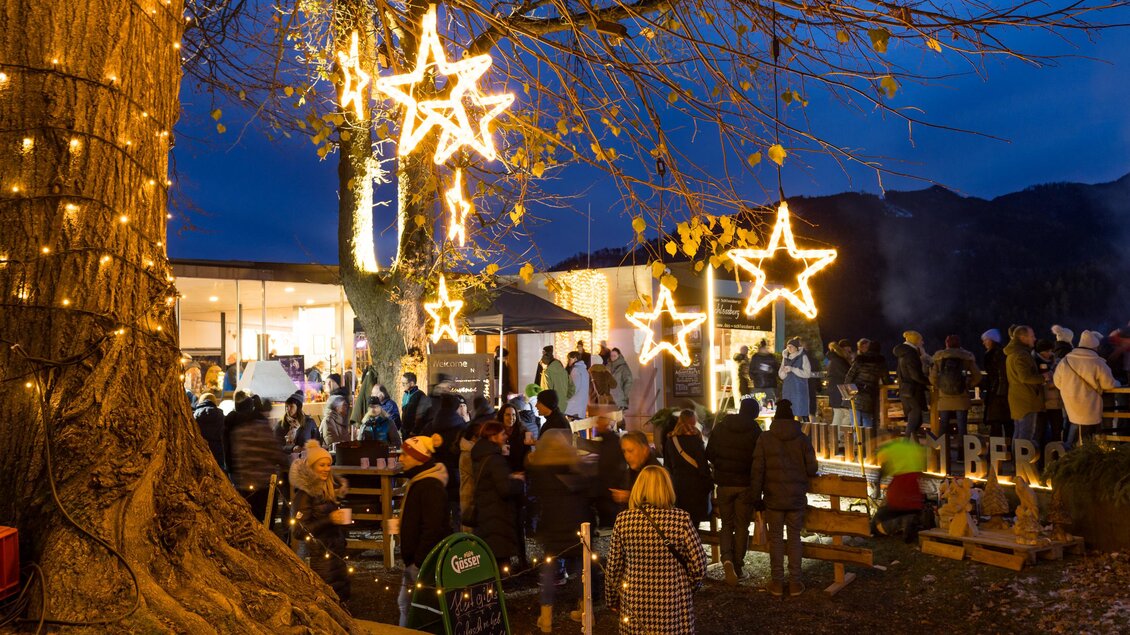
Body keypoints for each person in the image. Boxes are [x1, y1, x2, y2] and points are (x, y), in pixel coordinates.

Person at [605, 465, 707, 634]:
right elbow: (700, 564)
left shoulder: (623, 520)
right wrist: (687, 587)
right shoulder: (680, 519)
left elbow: (613, 567)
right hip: (674, 601)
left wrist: (612, 599)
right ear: (667, 488)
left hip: (635, 600)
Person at [750, 400, 818, 597]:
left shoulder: (765, 439)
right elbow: (812, 468)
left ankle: (778, 583)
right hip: (796, 499)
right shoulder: (802, 439)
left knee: (777, 540)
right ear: (792, 417)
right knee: (794, 538)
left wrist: (756, 497)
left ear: (775, 418)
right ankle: (795, 582)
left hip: (773, 499)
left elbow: (757, 470)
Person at [527, 429, 591, 633]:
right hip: (576, 524)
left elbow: (534, 494)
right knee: (583, 570)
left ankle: (546, 617)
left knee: (548, 570)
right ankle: (586, 611)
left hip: (552, 525)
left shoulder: (540, 470)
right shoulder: (575, 464)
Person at [397, 434, 454, 626]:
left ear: (418, 457)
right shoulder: (418, 480)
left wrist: (419, 562)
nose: (400, 458)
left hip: (423, 562)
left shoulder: (430, 486)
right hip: (416, 560)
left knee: (422, 609)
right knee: (405, 603)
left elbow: (433, 527)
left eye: (405, 455)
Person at [706, 396, 761, 585]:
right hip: (745, 485)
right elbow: (758, 458)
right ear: (754, 413)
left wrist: (721, 466)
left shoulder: (722, 426)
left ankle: (727, 559)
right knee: (742, 526)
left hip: (724, 484)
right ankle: (738, 565)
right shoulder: (755, 430)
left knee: (726, 525)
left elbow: (709, 452)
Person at [291, 440, 350, 603]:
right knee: (325, 599)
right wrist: (329, 520)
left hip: (334, 552)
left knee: (340, 597)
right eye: (321, 465)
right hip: (317, 557)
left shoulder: (328, 490)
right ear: (311, 467)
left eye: (328, 465)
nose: (326, 469)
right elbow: (299, 531)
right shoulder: (304, 495)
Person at [1055, 329, 1120, 448]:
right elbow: (1108, 384)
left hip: (1071, 403)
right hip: (1090, 405)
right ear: (1095, 347)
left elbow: (1057, 381)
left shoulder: (1066, 361)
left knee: (1078, 431)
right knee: (1088, 435)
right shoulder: (1097, 363)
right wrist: (1118, 383)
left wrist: (1069, 390)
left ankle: (1076, 457)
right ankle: (1085, 459)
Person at [471, 421, 523, 567]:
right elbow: (505, 488)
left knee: (490, 556)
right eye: (502, 434)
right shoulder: (495, 460)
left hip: (486, 511)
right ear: (493, 437)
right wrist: (518, 481)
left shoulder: (480, 454)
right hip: (497, 514)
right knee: (500, 557)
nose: (505, 437)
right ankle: (501, 586)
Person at [227, 395, 285, 522]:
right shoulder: (263, 429)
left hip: (243, 484)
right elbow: (276, 455)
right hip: (263, 485)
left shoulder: (239, 429)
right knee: (266, 520)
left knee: (249, 520)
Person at [421, 392, 467, 527]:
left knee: (438, 514)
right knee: (457, 513)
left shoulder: (430, 426)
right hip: (456, 474)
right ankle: (456, 543)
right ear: (456, 408)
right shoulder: (462, 427)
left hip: (435, 474)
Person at [930, 335, 981, 454]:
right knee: (962, 427)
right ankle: (962, 455)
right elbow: (977, 376)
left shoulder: (939, 357)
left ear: (946, 344)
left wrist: (940, 387)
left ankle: (942, 454)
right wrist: (968, 385)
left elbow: (932, 378)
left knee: (943, 425)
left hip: (944, 397)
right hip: (961, 397)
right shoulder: (966, 357)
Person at [663, 409, 712, 526]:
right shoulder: (695, 439)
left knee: (680, 522)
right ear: (693, 421)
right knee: (694, 524)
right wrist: (708, 483)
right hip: (696, 487)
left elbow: (667, 465)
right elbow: (702, 466)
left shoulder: (671, 440)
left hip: (678, 487)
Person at [871, 436, 927, 542]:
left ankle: (899, 523)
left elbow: (884, 470)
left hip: (899, 488)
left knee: (883, 515)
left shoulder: (888, 449)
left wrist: (877, 487)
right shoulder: (911, 448)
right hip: (914, 487)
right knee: (911, 510)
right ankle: (910, 521)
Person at [577, 415, 628, 527]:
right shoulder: (608, 440)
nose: (597, 426)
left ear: (605, 425)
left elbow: (613, 466)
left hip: (609, 488)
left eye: (599, 424)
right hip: (606, 488)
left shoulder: (612, 441)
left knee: (610, 519)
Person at [1005, 326, 1046, 442]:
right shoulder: (1021, 355)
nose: (1035, 338)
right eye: (1032, 336)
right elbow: (1024, 377)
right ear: (1023, 338)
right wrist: (1044, 377)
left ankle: (1016, 459)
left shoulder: (1013, 353)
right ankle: (1022, 460)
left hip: (1017, 398)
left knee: (1018, 433)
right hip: (1026, 400)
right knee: (1026, 435)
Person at [893, 331, 931, 439]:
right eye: (920, 340)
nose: (922, 343)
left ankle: (914, 443)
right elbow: (915, 374)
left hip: (905, 389)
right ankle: (906, 441)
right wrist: (929, 381)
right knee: (915, 416)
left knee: (914, 417)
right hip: (913, 390)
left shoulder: (903, 353)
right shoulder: (911, 353)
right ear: (915, 341)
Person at [609, 431, 659, 507]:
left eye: (630, 451)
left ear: (645, 450)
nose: (627, 456)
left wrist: (630, 497)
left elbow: (660, 501)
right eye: (624, 451)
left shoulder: (657, 473)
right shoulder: (631, 471)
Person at [844, 339, 886, 428]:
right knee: (867, 420)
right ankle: (868, 440)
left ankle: (857, 441)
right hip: (869, 394)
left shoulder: (860, 359)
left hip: (855, 392)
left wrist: (848, 393)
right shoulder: (881, 362)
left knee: (855, 422)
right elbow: (886, 378)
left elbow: (849, 376)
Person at [981, 328, 1012, 438]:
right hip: (1003, 393)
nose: (983, 343)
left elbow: (996, 374)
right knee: (1008, 423)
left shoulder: (993, 354)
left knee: (996, 423)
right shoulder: (1003, 352)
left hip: (997, 394)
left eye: (985, 340)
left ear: (990, 340)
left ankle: (995, 451)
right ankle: (1011, 449)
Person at [1033, 339, 1063, 447]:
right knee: (1040, 431)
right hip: (1042, 403)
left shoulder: (1056, 361)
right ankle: (1040, 458)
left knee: (1057, 430)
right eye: (1048, 351)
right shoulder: (1034, 363)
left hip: (1056, 403)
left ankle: (1055, 456)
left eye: (1051, 350)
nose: (1050, 353)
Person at [277, 391, 321, 456]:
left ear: (298, 408)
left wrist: (309, 448)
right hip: (287, 460)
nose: (288, 409)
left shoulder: (309, 423)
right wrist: (292, 448)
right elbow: (276, 446)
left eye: (291, 406)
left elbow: (317, 442)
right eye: (286, 406)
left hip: (307, 458)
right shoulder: (281, 425)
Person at [778, 338, 812, 420]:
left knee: (802, 411)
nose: (789, 348)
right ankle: (790, 431)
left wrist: (793, 369)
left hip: (799, 389)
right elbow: (781, 374)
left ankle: (807, 431)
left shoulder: (803, 357)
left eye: (791, 346)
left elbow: (807, 373)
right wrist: (784, 372)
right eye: (788, 346)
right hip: (788, 389)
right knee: (788, 412)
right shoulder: (785, 357)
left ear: (796, 347)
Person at [458, 422, 482, 531]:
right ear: (474, 437)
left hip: (469, 494)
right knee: (469, 530)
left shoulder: (470, 451)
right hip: (469, 495)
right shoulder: (468, 454)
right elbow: (478, 474)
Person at [826, 340, 854, 434]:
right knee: (847, 414)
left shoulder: (836, 359)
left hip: (836, 389)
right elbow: (847, 375)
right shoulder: (839, 360)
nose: (849, 353)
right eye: (848, 351)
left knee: (840, 413)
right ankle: (838, 435)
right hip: (840, 389)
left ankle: (837, 437)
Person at [193, 392, 226, 469]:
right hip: (218, 453)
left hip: (199, 453)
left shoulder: (193, 417)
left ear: (200, 402)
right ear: (215, 402)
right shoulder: (222, 417)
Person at [750, 340, 780, 406]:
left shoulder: (771, 357)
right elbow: (751, 370)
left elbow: (777, 370)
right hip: (759, 385)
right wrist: (754, 377)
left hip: (770, 386)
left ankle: (770, 414)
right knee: (759, 406)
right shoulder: (755, 357)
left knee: (770, 406)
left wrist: (771, 371)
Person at [400, 372, 426, 437]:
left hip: (414, 433)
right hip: (405, 432)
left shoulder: (420, 395)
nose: (402, 385)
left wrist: (415, 431)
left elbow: (422, 416)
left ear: (411, 383)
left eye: (404, 383)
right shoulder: (405, 394)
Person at [565, 351, 590, 418]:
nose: (568, 361)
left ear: (575, 359)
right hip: (581, 404)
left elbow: (573, 388)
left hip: (574, 405)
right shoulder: (584, 369)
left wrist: (566, 398)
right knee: (581, 425)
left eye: (570, 359)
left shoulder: (576, 370)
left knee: (575, 426)